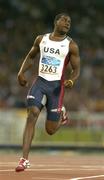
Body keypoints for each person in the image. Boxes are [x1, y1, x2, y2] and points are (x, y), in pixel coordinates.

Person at [15, 13, 80, 172]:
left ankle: (62, 116)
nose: (67, 23)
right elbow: (31, 57)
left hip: (56, 88)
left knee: (50, 130)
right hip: (40, 82)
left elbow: (76, 69)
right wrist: (21, 73)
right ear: (56, 21)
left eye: (70, 22)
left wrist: (71, 80)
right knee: (32, 114)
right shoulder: (41, 39)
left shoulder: (71, 45)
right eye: (64, 20)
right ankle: (24, 159)